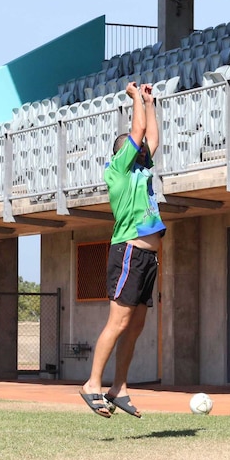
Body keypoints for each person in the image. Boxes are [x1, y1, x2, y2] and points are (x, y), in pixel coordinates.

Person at [80, 82, 163, 418]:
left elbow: (153, 137)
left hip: (149, 257)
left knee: (137, 324)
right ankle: (92, 384)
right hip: (128, 252)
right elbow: (140, 130)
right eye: (136, 148)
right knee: (118, 321)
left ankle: (119, 387)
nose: (143, 150)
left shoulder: (142, 170)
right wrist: (134, 101)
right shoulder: (117, 171)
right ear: (123, 152)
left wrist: (150, 101)